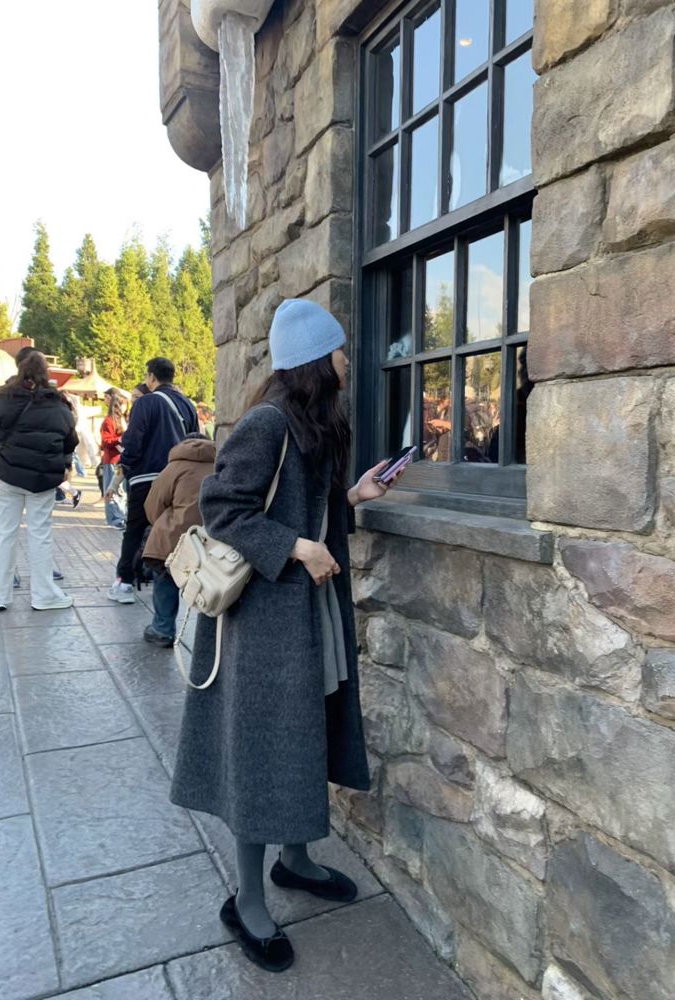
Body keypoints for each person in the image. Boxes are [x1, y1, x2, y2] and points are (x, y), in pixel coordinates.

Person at [170, 299, 399, 973]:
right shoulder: (267, 423)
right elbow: (222, 507)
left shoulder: (314, 424)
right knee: (261, 751)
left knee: (305, 733)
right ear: (316, 361)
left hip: (304, 613)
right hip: (263, 626)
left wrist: (354, 497)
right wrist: (297, 547)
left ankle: (294, 860)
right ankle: (246, 899)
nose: (347, 360)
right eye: (340, 350)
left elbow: (307, 509)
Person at [0, 350, 77, 611]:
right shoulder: (59, 403)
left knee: (5, 534)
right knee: (40, 535)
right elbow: (70, 440)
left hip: (8, 475)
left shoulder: (3, 398)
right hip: (43, 479)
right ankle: (44, 595)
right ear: (46, 373)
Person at [107, 357, 198, 604]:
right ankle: (168, 582)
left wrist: (123, 471)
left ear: (151, 377)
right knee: (171, 531)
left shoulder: (146, 403)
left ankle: (125, 582)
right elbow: (194, 441)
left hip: (146, 478)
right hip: (179, 477)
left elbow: (133, 443)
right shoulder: (188, 405)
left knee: (135, 529)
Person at [141, 432, 216, 646]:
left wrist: (165, 523)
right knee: (211, 584)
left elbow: (153, 505)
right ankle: (211, 636)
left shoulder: (175, 467)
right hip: (211, 538)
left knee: (165, 577)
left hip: (175, 537)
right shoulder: (220, 465)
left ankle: (163, 629)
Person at [100, 393, 128, 529]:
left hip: (121, 459)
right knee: (112, 490)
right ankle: (114, 518)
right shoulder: (109, 421)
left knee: (120, 491)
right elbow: (105, 441)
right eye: (124, 404)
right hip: (112, 460)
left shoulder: (122, 419)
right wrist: (119, 439)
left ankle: (120, 516)